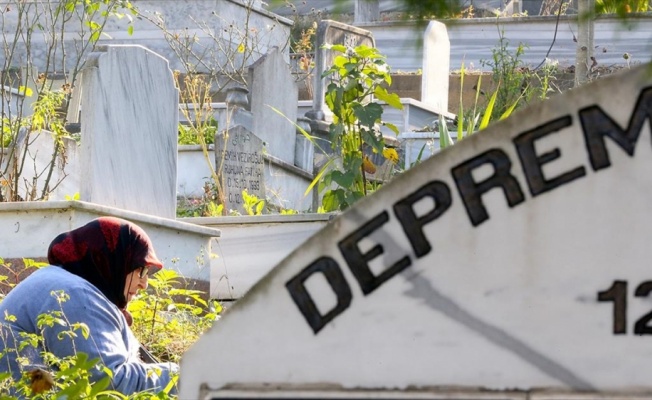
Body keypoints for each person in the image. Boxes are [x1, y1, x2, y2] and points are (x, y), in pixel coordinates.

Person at [0, 217, 178, 395]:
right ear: (114, 258)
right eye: (141, 269)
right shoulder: (75, 295)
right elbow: (109, 384)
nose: (144, 283)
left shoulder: (64, 283)